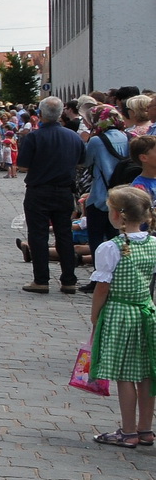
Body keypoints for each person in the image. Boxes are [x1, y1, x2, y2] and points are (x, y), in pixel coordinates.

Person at [87, 186, 156, 448]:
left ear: (117, 215)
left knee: (125, 374)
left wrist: (95, 317)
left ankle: (128, 431)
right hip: (146, 309)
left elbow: (102, 287)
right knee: (147, 372)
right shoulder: (153, 243)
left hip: (120, 311)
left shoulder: (110, 247)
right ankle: (145, 429)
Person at [18, 96, 86, 295]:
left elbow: (23, 165)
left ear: (40, 115)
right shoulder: (73, 136)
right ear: (60, 114)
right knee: (64, 234)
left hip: (39, 190)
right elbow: (81, 161)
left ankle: (41, 280)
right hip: (64, 191)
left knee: (38, 235)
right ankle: (69, 280)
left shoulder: (34, 137)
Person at [81, 106, 132, 275]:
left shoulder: (97, 140)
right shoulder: (127, 137)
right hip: (121, 194)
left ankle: (100, 276)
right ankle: (116, 274)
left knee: (96, 238)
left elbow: (86, 163)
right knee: (115, 237)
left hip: (100, 195)